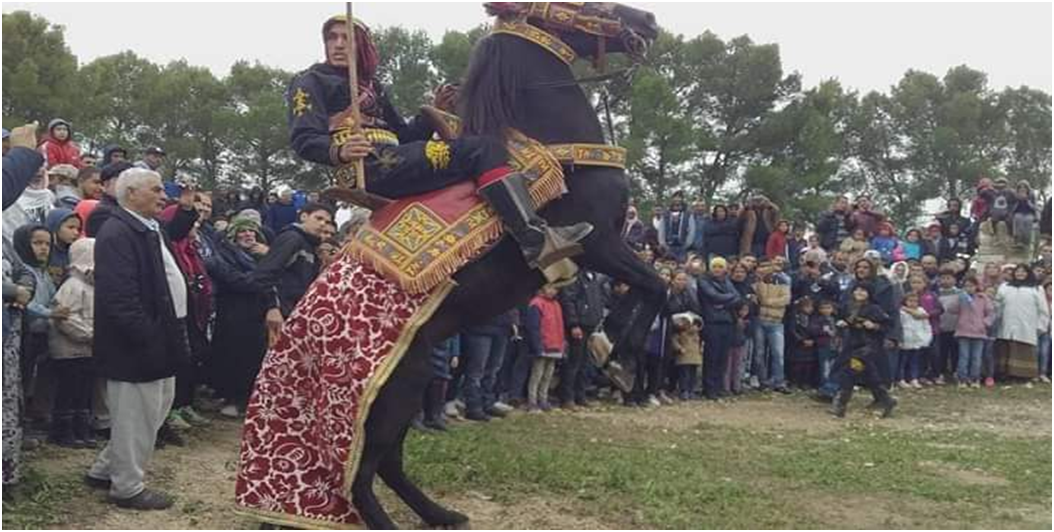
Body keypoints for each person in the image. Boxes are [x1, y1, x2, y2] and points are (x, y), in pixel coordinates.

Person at [289, 15, 591, 271]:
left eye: (347, 38)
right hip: (367, 166)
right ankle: (533, 239)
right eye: (332, 38)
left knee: (480, 154)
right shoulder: (310, 80)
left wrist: (437, 110)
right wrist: (339, 150)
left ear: (362, 47)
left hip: (394, 157)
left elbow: (405, 137)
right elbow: (303, 138)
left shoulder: (374, 87)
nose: (338, 44)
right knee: (484, 148)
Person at [87, 169, 191, 511]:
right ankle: (127, 487)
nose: (165, 195)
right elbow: (120, 298)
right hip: (136, 344)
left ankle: (104, 470)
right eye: (157, 189)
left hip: (160, 336)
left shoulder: (147, 227)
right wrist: (149, 336)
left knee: (156, 407)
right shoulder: (117, 232)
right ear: (131, 193)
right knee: (136, 416)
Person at [48, 238, 97, 449]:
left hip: (87, 349)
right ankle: (62, 429)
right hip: (69, 350)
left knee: (84, 390)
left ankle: (81, 426)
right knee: (68, 389)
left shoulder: (93, 288)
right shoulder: (73, 286)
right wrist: (89, 334)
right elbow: (64, 318)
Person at [831, 284, 897, 419]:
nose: (859, 292)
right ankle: (887, 400)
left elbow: (889, 324)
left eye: (863, 290)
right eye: (857, 289)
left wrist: (874, 326)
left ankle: (841, 405)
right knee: (870, 376)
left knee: (849, 373)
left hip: (867, 347)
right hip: (851, 345)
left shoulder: (874, 309)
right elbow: (839, 317)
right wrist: (841, 324)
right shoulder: (848, 306)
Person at [524, 285, 565, 413]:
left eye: (555, 289)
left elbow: (559, 326)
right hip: (543, 344)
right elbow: (533, 328)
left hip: (555, 345)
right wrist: (537, 346)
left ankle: (543, 399)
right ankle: (532, 401)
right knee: (537, 374)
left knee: (548, 375)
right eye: (550, 288)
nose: (553, 291)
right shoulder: (536, 304)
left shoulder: (556, 304)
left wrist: (562, 344)